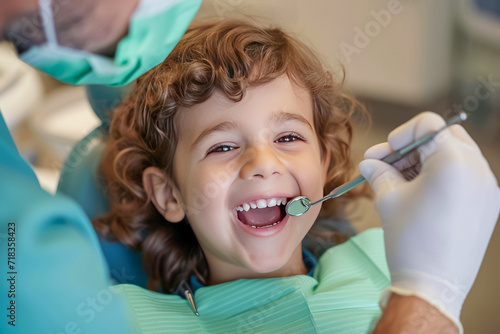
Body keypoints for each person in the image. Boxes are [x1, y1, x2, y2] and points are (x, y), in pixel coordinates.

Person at [0, 3, 498, 334]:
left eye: (288, 137)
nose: (263, 163)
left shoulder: (400, 256)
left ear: (323, 166)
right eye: (221, 147)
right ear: (168, 194)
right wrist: (431, 297)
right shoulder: (128, 320)